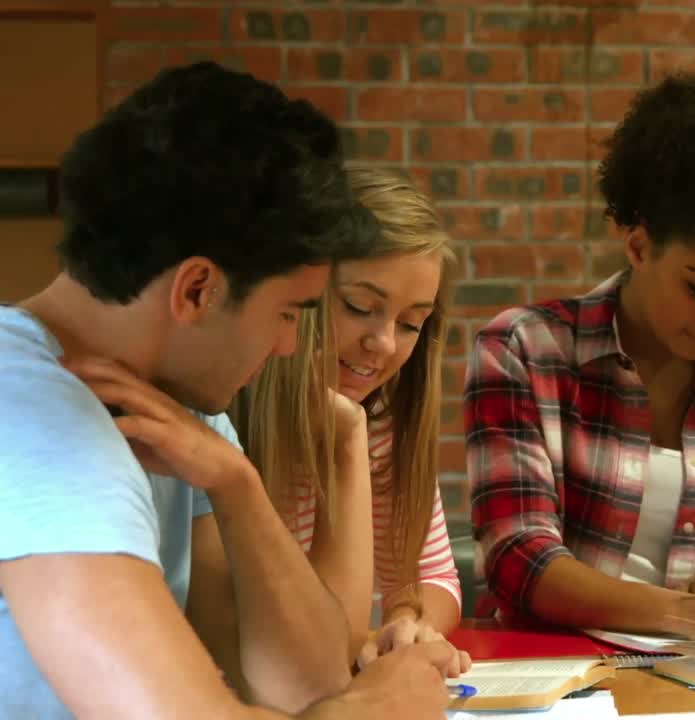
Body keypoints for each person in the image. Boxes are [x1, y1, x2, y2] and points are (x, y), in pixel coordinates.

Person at [0, 62, 451, 719]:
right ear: (197, 290)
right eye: (290, 312)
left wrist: (236, 484)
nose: (289, 346)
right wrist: (386, 707)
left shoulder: (181, 406)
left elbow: (300, 685)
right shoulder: (36, 419)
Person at [465, 72, 695, 639]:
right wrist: (686, 612)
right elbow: (517, 558)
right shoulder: (523, 350)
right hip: (551, 676)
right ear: (639, 245)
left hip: (694, 674)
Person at [234, 164, 467, 670]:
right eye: (360, 306)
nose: (382, 344)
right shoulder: (225, 414)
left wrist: (408, 620)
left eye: (410, 324)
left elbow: (435, 576)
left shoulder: (376, 418)